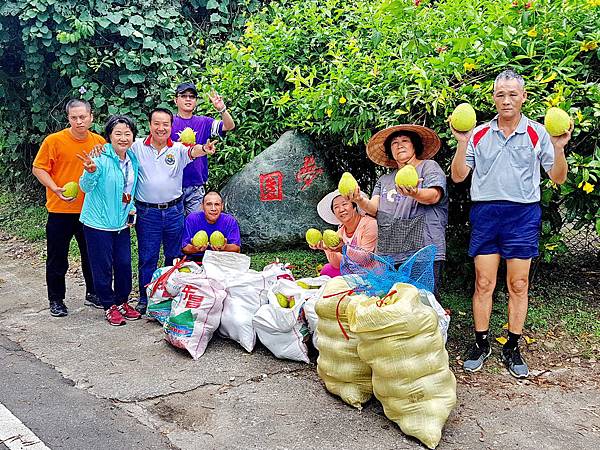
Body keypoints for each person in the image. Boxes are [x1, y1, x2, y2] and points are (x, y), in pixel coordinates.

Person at [450, 69, 571, 379]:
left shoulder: (538, 133)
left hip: (522, 215)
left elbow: (557, 177)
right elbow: (459, 176)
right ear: (493, 98)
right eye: (501, 94)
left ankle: (513, 345)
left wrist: (558, 148)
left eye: (512, 94)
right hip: (486, 214)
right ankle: (481, 343)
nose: (506, 100)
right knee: (483, 282)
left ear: (523, 97)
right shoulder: (477, 133)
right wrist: (462, 142)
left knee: (518, 284)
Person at [131, 107, 216, 314]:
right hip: (147, 213)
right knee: (147, 257)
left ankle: (169, 296)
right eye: (156, 124)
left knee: (174, 256)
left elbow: (193, 151)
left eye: (165, 124)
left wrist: (204, 149)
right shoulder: (136, 147)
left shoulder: (177, 149)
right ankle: (146, 297)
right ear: (150, 125)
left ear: (171, 127)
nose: (161, 128)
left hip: (174, 212)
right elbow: (118, 149)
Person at [348, 125, 448, 299]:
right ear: (390, 151)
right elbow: (374, 209)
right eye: (394, 143)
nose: (399, 145)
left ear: (414, 145)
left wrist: (415, 193)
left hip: (423, 249)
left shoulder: (428, 167)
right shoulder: (385, 179)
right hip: (390, 252)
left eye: (405, 141)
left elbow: (434, 196)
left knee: (424, 303)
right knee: (395, 306)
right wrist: (358, 199)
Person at [32, 99, 105, 317]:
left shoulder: (100, 142)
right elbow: (38, 168)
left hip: (89, 211)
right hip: (60, 210)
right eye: (74, 118)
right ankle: (56, 299)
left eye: (83, 117)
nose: (79, 121)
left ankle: (93, 293)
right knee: (57, 257)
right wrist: (54, 188)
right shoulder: (54, 141)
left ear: (91, 117)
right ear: (68, 119)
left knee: (91, 255)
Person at [78, 115, 141, 326]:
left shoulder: (133, 159)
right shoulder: (100, 159)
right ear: (109, 136)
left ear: (133, 136)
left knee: (123, 264)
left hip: (121, 222)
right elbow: (85, 187)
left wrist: (131, 210)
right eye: (118, 134)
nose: (123, 138)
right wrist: (90, 172)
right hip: (98, 224)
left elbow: (129, 189)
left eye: (127, 134)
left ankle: (122, 301)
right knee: (102, 266)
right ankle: (108, 305)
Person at [171, 82, 236, 215]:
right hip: (172, 183)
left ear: (196, 101)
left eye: (192, 96)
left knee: (196, 226)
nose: (188, 99)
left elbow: (229, 126)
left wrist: (222, 109)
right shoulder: (168, 122)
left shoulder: (204, 122)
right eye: (183, 96)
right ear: (175, 100)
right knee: (175, 229)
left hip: (196, 184)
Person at [310, 189, 378, 277]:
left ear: (354, 207)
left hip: (371, 272)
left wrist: (343, 248)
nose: (341, 209)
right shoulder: (339, 233)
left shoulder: (369, 224)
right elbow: (337, 264)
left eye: (345, 204)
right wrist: (327, 248)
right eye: (336, 207)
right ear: (334, 213)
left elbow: (365, 259)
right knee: (327, 269)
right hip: (352, 270)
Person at [181, 191, 241, 261]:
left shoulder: (230, 221)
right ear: (202, 206)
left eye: (217, 204)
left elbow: (237, 248)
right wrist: (195, 249)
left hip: (221, 259)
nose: (213, 209)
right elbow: (184, 247)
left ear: (222, 206)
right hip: (195, 260)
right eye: (209, 204)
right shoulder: (191, 219)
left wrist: (224, 248)